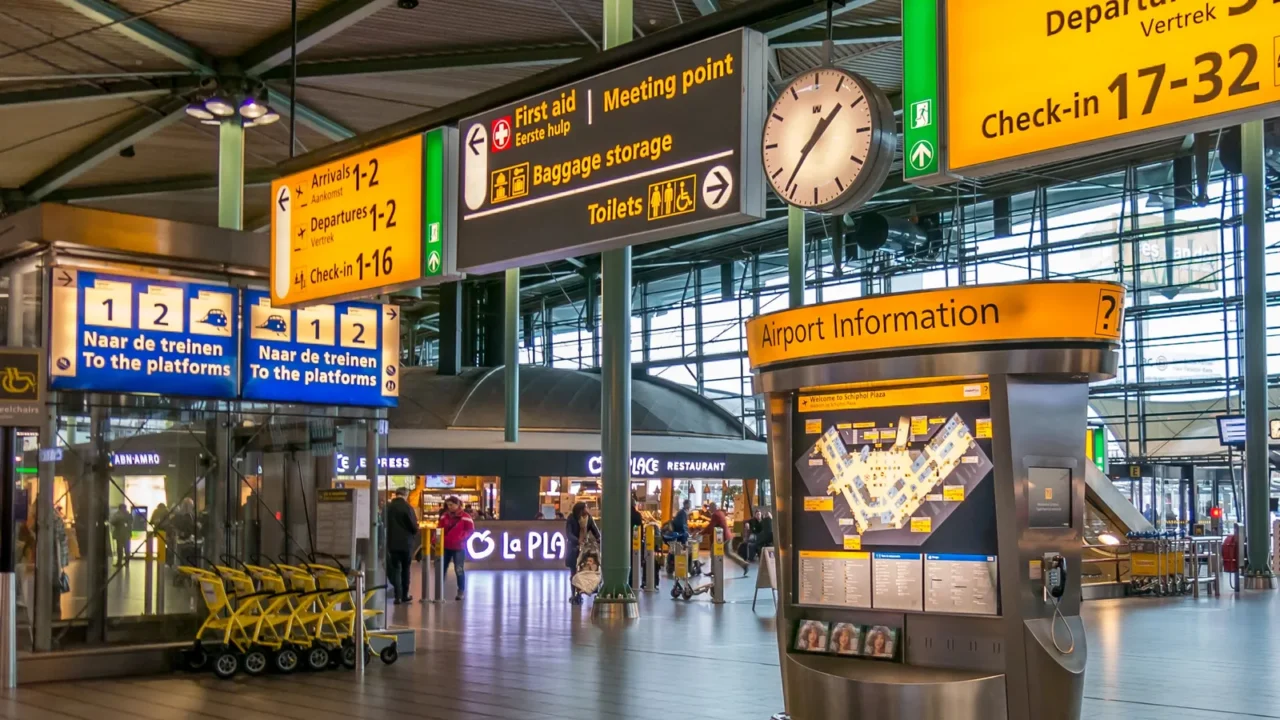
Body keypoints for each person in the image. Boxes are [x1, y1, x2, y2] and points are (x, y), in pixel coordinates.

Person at [384, 487, 419, 604]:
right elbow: (414, 527)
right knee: (405, 569)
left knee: (395, 569)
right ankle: (405, 595)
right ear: (406, 494)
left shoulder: (387, 507)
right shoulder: (408, 507)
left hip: (391, 543)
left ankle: (397, 596)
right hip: (406, 543)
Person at [565, 502, 601, 604]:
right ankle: (574, 594)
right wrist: (577, 541)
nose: (587, 509)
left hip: (585, 549)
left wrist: (599, 539)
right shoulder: (571, 518)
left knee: (585, 570)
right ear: (580, 509)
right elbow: (569, 533)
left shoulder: (588, 518)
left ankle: (583, 591)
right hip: (574, 548)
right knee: (573, 572)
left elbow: (595, 531)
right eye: (586, 507)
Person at [439, 496, 473, 601]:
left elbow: (470, 530)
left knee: (459, 569)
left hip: (459, 547)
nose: (450, 507)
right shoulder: (444, 516)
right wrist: (436, 540)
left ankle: (461, 591)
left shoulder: (466, 517)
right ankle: (439, 591)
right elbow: (439, 528)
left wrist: (461, 538)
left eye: (452, 505)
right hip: (445, 546)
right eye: (448, 505)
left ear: (458, 504)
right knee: (441, 569)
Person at [708, 502, 750, 576]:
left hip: (721, 537)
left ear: (713, 507)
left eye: (710, 507)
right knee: (729, 553)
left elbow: (710, 526)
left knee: (713, 552)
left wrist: (701, 532)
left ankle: (713, 570)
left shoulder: (715, 514)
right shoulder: (720, 513)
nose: (709, 509)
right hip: (727, 535)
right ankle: (744, 564)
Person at [109, 503, 132, 568]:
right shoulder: (128, 515)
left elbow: (112, 521)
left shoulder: (117, 514)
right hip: (127, 534)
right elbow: (131, 522)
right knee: (127, 549)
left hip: (119, 534)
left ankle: (119, 562)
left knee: (119, 549)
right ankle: (127, 562)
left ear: (119, 508)